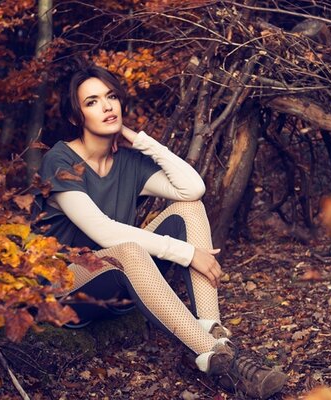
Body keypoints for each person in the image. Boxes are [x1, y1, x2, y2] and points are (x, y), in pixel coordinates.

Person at [33, 63, 287, 399]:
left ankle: (212, 334)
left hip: (118, 281)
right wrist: (185, 252)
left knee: (188, 210)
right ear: (76, 117)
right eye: (92, 102)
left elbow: (192, 189)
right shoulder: (59, 160)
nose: (107, 106)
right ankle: (225, 363)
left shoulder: (126, 160)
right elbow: (103, 232)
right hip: (65, 288)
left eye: (111, 97)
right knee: (127, 248)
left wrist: (141, 140)